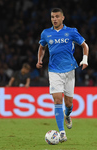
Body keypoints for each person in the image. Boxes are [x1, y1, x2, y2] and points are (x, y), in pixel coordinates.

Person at [36, 8, 89, 143]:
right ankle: (62, 132)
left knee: (69, 103)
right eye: (52, 17)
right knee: (57, 100)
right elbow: (42, 47)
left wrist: (84, 60)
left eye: (57, 16)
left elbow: (85, 46)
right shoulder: (46, 33)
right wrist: (40, 59)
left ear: (63, 18)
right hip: (54, 71)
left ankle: (67, 114)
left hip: (70, 70)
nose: (54, 19)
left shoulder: (71, 31)